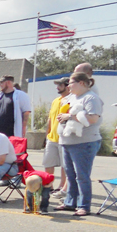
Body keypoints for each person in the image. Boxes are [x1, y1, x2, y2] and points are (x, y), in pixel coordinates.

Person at [54, 71, 103, 217]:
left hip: (84, 142)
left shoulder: (91, 98)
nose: (68, 85)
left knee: (82, 175)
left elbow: (93, 118)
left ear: (81, 83)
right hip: (67, 141)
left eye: (71, 83)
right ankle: (70, 202)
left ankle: (84, 205)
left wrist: (69, 116)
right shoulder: (71, 97)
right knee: (70, 174)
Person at [44, 78, 70, 197]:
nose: (57, 87)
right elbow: (50, 118)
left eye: (60, 85)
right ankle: (48, 186)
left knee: (65, 165)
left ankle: (61, 188)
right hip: (51, 138)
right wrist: (47, 134)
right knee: (48, 163)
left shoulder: (71, 100)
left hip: (64, 138)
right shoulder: (55, 101)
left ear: (67, 85)